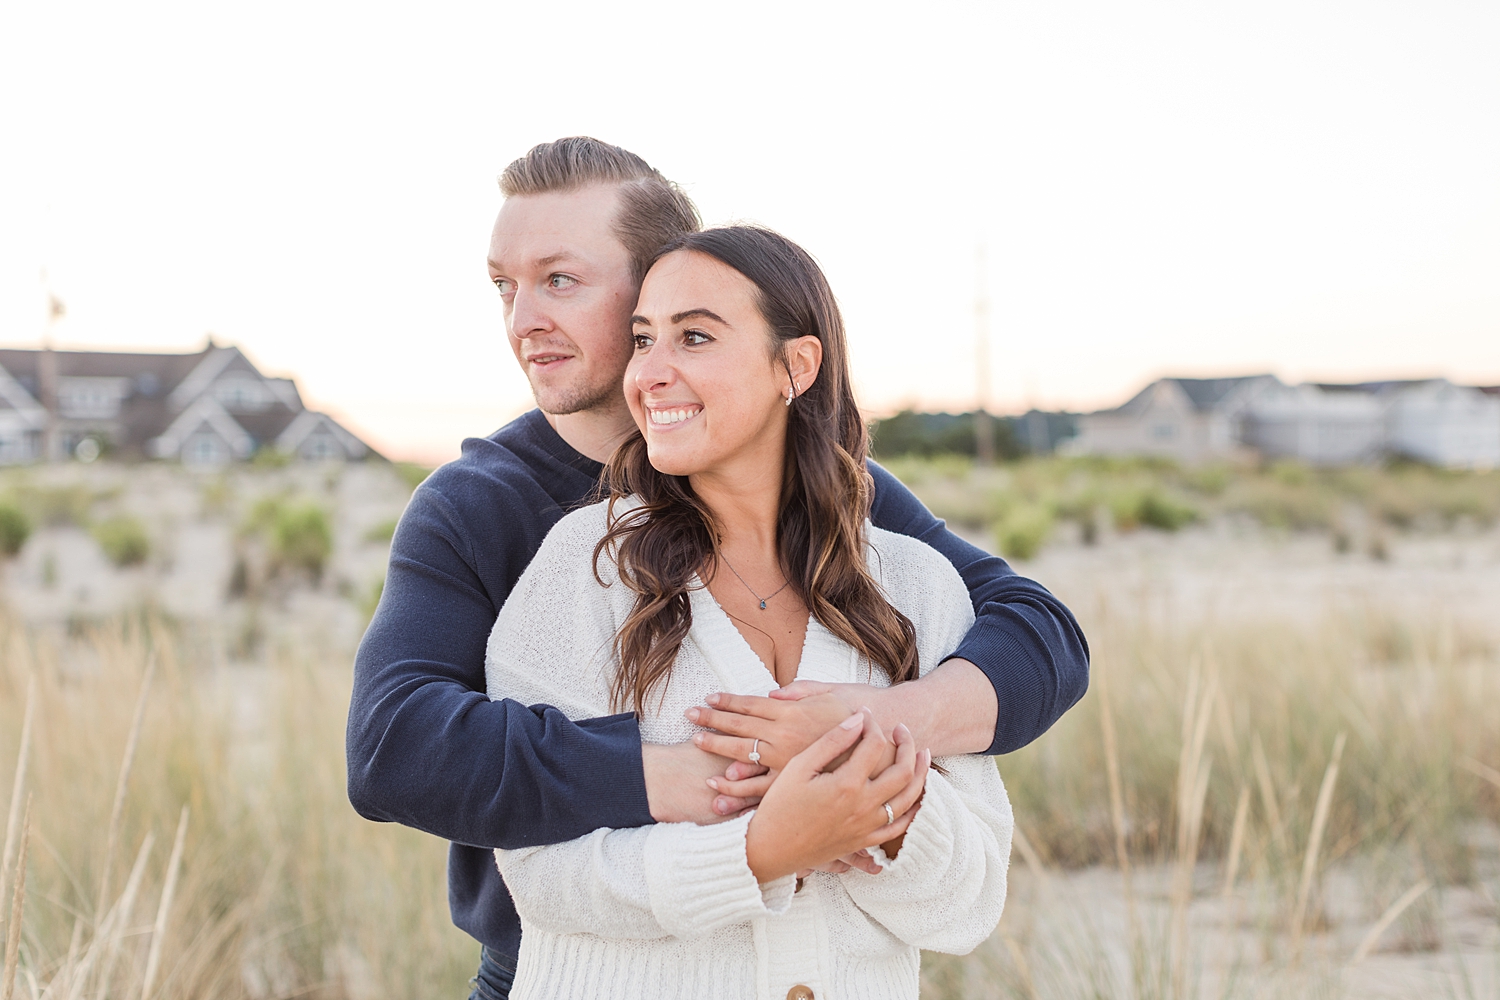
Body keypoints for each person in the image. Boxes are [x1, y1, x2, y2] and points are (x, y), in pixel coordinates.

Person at [345, 137, 1088, 999]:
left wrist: (880, 727)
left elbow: (1040, 635)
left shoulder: (827, 492)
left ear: (667, 275)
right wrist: (710, 788)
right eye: (504, 286)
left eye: (560, 280)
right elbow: (394, 746)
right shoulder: (482, 506)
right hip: (565, 966)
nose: (522, 320)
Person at [485, 225, 1011, 999]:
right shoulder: (587, 565)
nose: (651, 374)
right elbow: (538, 873)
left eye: (694, 337)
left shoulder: (914, 584)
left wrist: (880, 806)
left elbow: (971, 907)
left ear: (795, 366)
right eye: (642, 340)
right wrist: (760, 851)